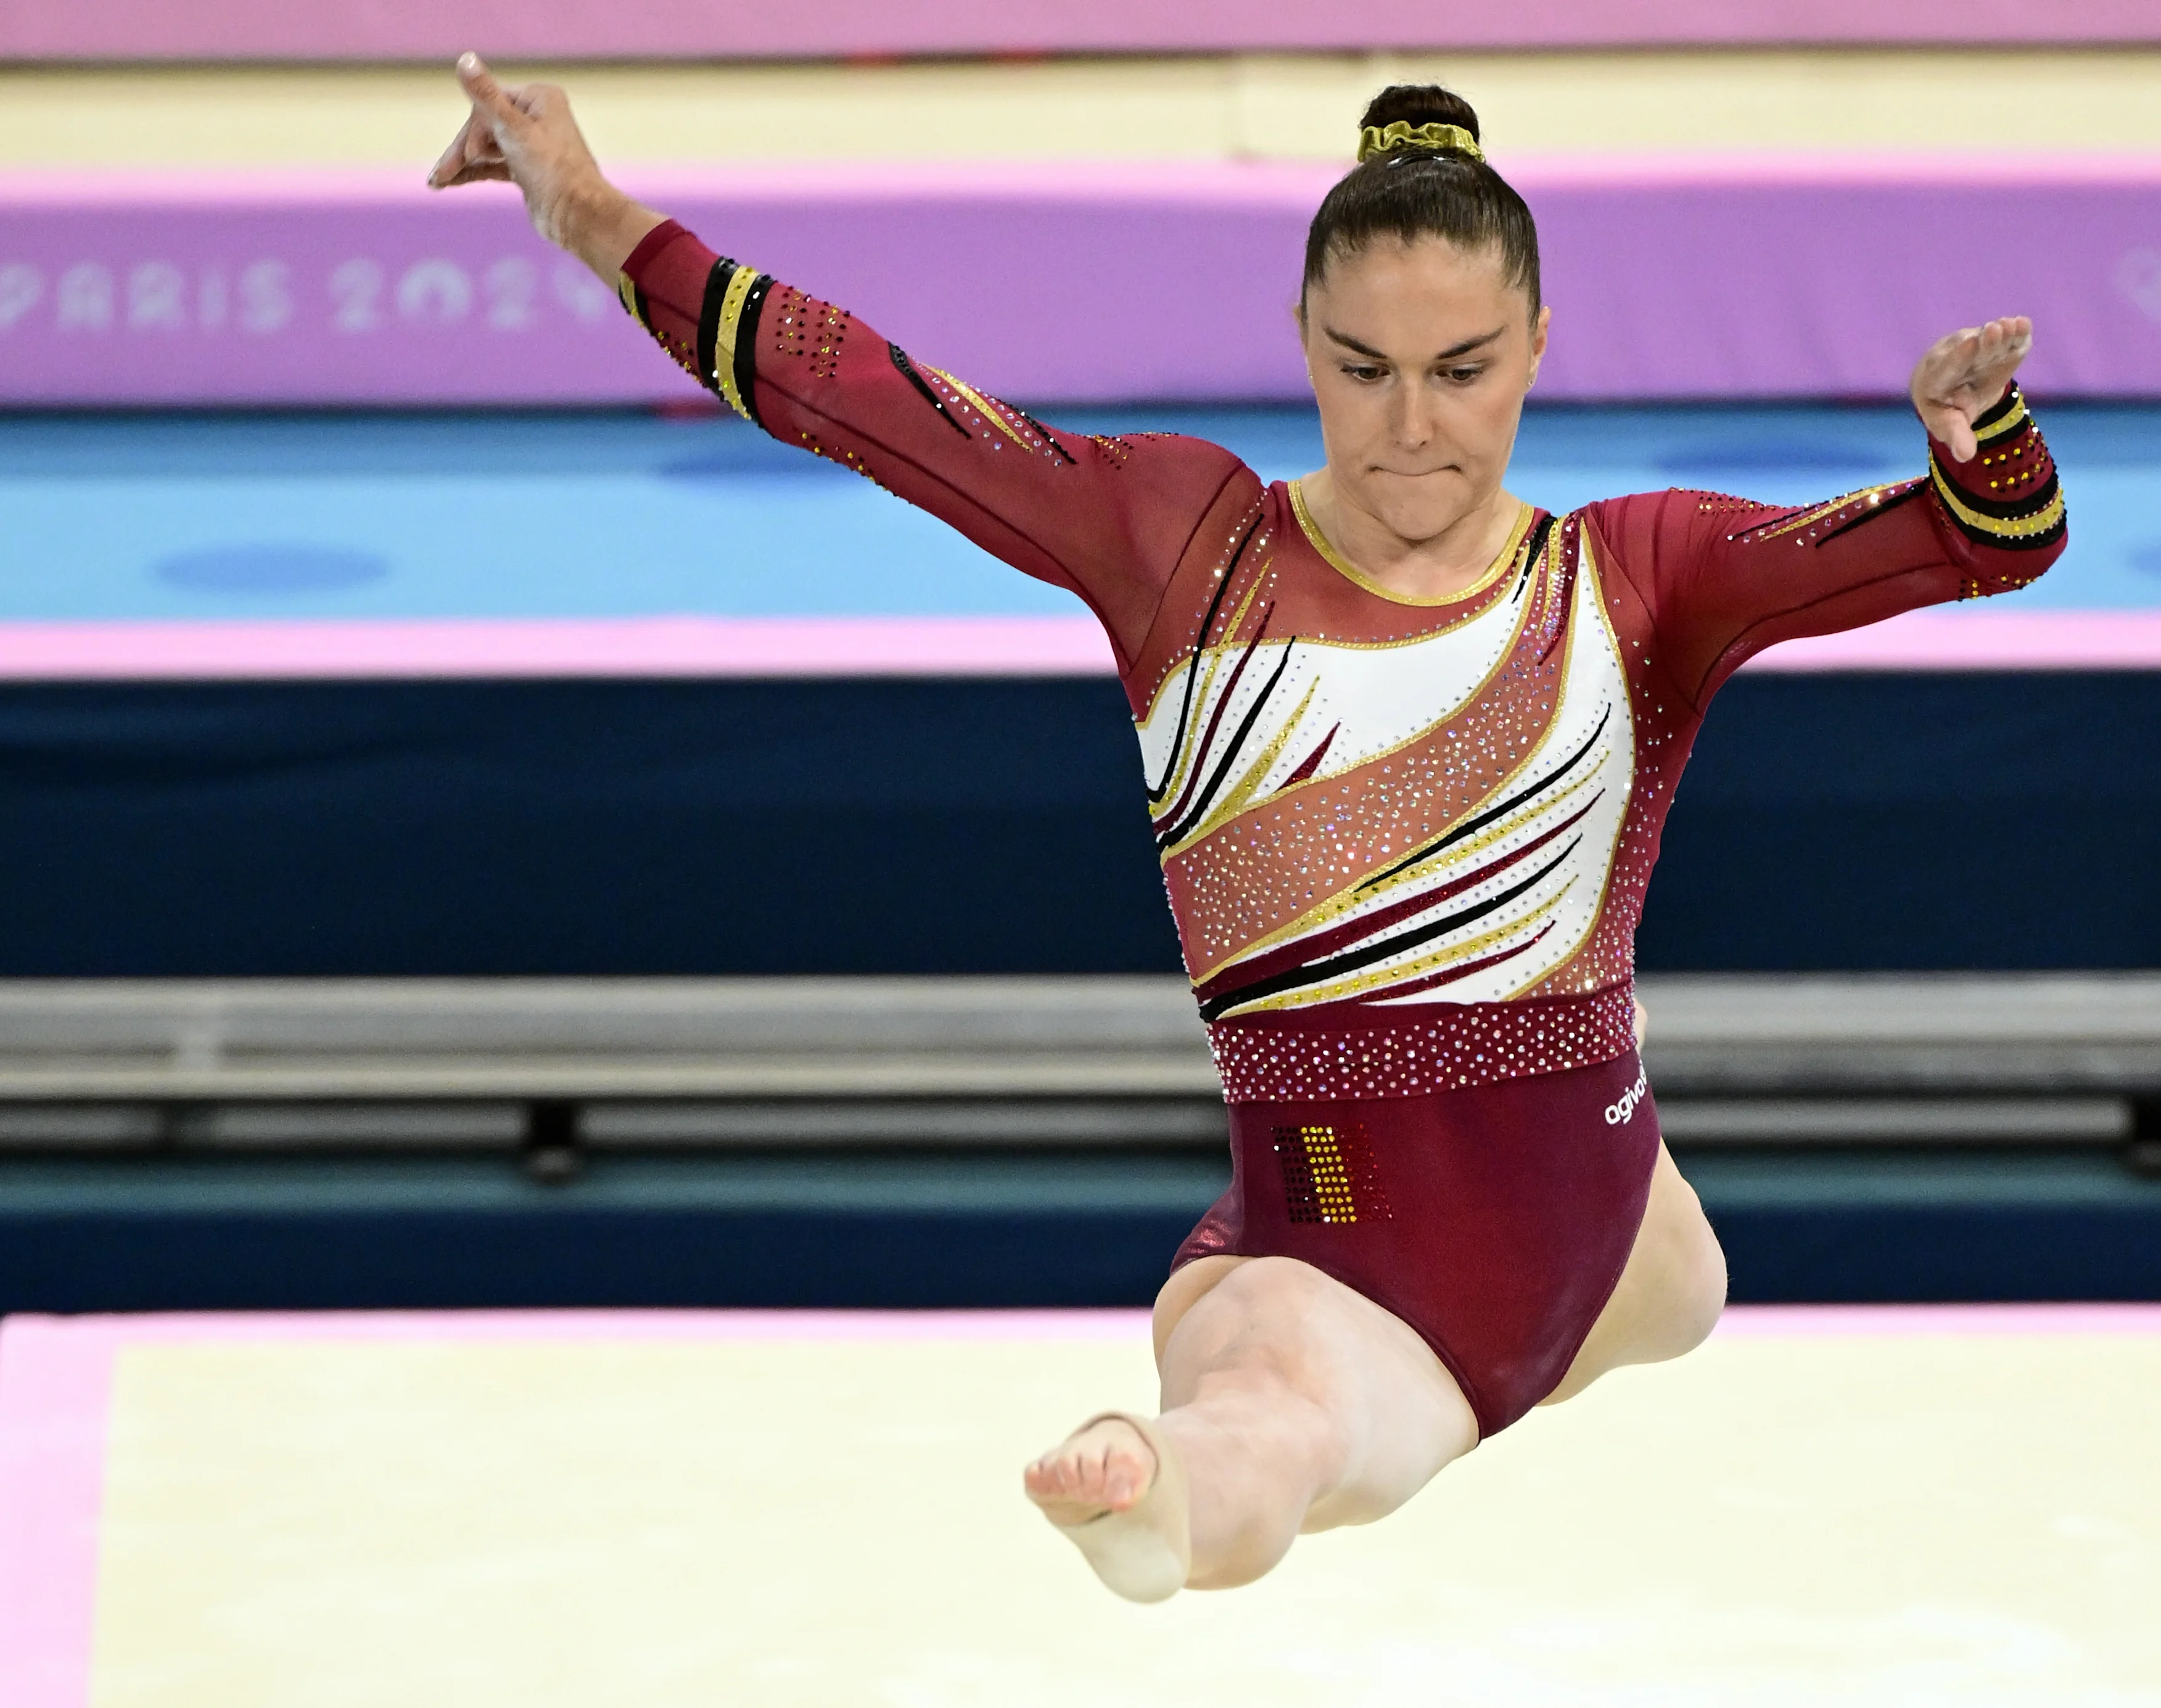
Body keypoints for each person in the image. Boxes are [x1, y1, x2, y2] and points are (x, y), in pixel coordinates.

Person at [430, 59, 2065, 1602]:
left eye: (1462, 371)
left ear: (1542, 344)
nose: (1412, 426)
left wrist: (1978, 428)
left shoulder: (1635, 582)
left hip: (1612, 1231)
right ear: (1300, 338)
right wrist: (581, 204)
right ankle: (1157, 1489)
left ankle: (1332, 1385)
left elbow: (1995, 540)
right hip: (1352, 1273)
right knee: (1257, 1401)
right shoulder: (1183, 547)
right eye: (1363, 371)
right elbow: (864, 396)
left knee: (1654, 1295)